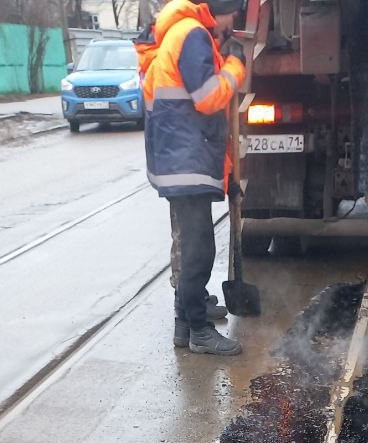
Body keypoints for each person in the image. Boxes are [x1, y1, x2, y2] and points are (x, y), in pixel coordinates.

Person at [135, 0, 246, 355]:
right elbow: (207, 97)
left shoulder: (178, 32)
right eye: (233, 17)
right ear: (221, 11)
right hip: (187, 158)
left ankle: (185, 325)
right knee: (199, 248)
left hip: (177, 158)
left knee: (192, 245)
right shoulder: (193, 34)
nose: (233, 25)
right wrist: (234, 67)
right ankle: (199, 331)